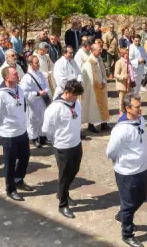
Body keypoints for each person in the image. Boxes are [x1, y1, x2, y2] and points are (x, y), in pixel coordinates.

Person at [106, 94, 147, 247]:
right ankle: (127, 234)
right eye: (137, 106)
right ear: (128, 108)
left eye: (140, 105)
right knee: (128, 204)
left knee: (142, 197)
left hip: (141, 169)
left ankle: (122, 216)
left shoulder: (141, 120)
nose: (140, 109)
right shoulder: (121, 129)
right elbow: (110, 151)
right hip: (127, 172)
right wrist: (118, 161)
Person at [0, 66, 35, 200]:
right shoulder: (1, 95)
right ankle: (10, 188)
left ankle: (19, 180)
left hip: (21, 131)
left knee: (24, 157)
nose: (18, 75)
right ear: (7, 78)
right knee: (9, 163)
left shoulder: (19, 89)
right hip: (8, 134)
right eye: (15, 74)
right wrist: (1, 129)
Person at [43, 79, 85, 218]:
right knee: (64, 175)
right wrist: (56, 140)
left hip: (76, 143)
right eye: (75, 95)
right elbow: (47, 129)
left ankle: (63, 193)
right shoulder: (55, 108)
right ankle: (62, 204)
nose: (77, 98)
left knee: (74, 170)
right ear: (66, 93)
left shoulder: (76, 102)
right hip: (62, 146)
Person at [20, 55, 52, 148]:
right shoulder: (27, 77)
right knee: (33, 121)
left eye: (38, 62)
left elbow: (46, 85)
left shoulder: (40, 74)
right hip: (34, 102)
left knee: (43, 119)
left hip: (43, 101)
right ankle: (34, 138)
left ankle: (43, 137)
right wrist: (37, 93)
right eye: (36, 62)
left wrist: (45, 91)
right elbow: (24, 92)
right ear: (30, 64)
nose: (38, 64)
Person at [80, 44, 110, 133]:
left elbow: (103, 72)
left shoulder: (99, 59)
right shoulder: (89, 62)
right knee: (92, 106)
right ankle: (91, 124)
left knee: (104, 105)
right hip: (93, 89)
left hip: (102, 86)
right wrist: (98, 84)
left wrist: (104, 81)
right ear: (93, 51)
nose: (101, 51)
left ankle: (104, 123)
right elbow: (89, 77)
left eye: (100, 49)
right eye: (99, 49)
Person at [114, 48, 133, 115]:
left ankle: (127, 113)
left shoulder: (129, 62)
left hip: (129, 84)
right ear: (123, 54)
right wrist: (123, 77)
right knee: (121, 101)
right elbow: (115, 75)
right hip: (122, 85)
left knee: (128, 100)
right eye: (127, 53)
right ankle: (121, 114)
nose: (128, 55)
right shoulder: (119, 62)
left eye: (128, 53)